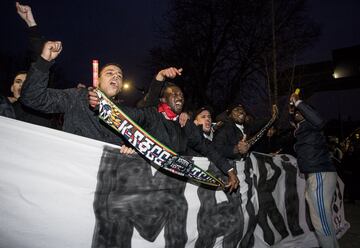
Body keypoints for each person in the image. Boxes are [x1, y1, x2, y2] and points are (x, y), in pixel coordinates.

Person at [88, 77, 240, 192]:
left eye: (181, 94)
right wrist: (100, 103)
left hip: (176, 188)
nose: (179, 96)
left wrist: (230, 170)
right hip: (148, 186)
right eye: (174, 93)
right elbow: (125, 114)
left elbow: (207, 148)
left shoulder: (185, 124)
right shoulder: (150, 115)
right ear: (163, 99)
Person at [20, 40, 133, 154]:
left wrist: (127, 152)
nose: (116, 76)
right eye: (109, 73)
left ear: (121, 87)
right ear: (98, 80)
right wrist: (44, 62)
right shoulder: (77, 97)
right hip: (73, 164)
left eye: (119, 76)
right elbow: (33, 97)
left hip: (104, 169)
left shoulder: (126, 116)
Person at [289, 93, 339, 248]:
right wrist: (292, 112)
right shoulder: (304, 129)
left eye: (300, 111)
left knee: (321, 223)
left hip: (319, 174)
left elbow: (318, 120)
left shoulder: (312, 123)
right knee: (323, 220)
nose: (296, 113)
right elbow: (294, 123)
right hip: (317, 174)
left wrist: (298, 102)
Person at [213, 104, 277, 159]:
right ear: (230, 115)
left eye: (242, 110)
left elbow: (259, 123)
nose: (241, 111)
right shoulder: (224, 128)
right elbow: (217, 148)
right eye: (236, 110)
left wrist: (272, 117)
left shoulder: (246, 127)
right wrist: (236, 149)